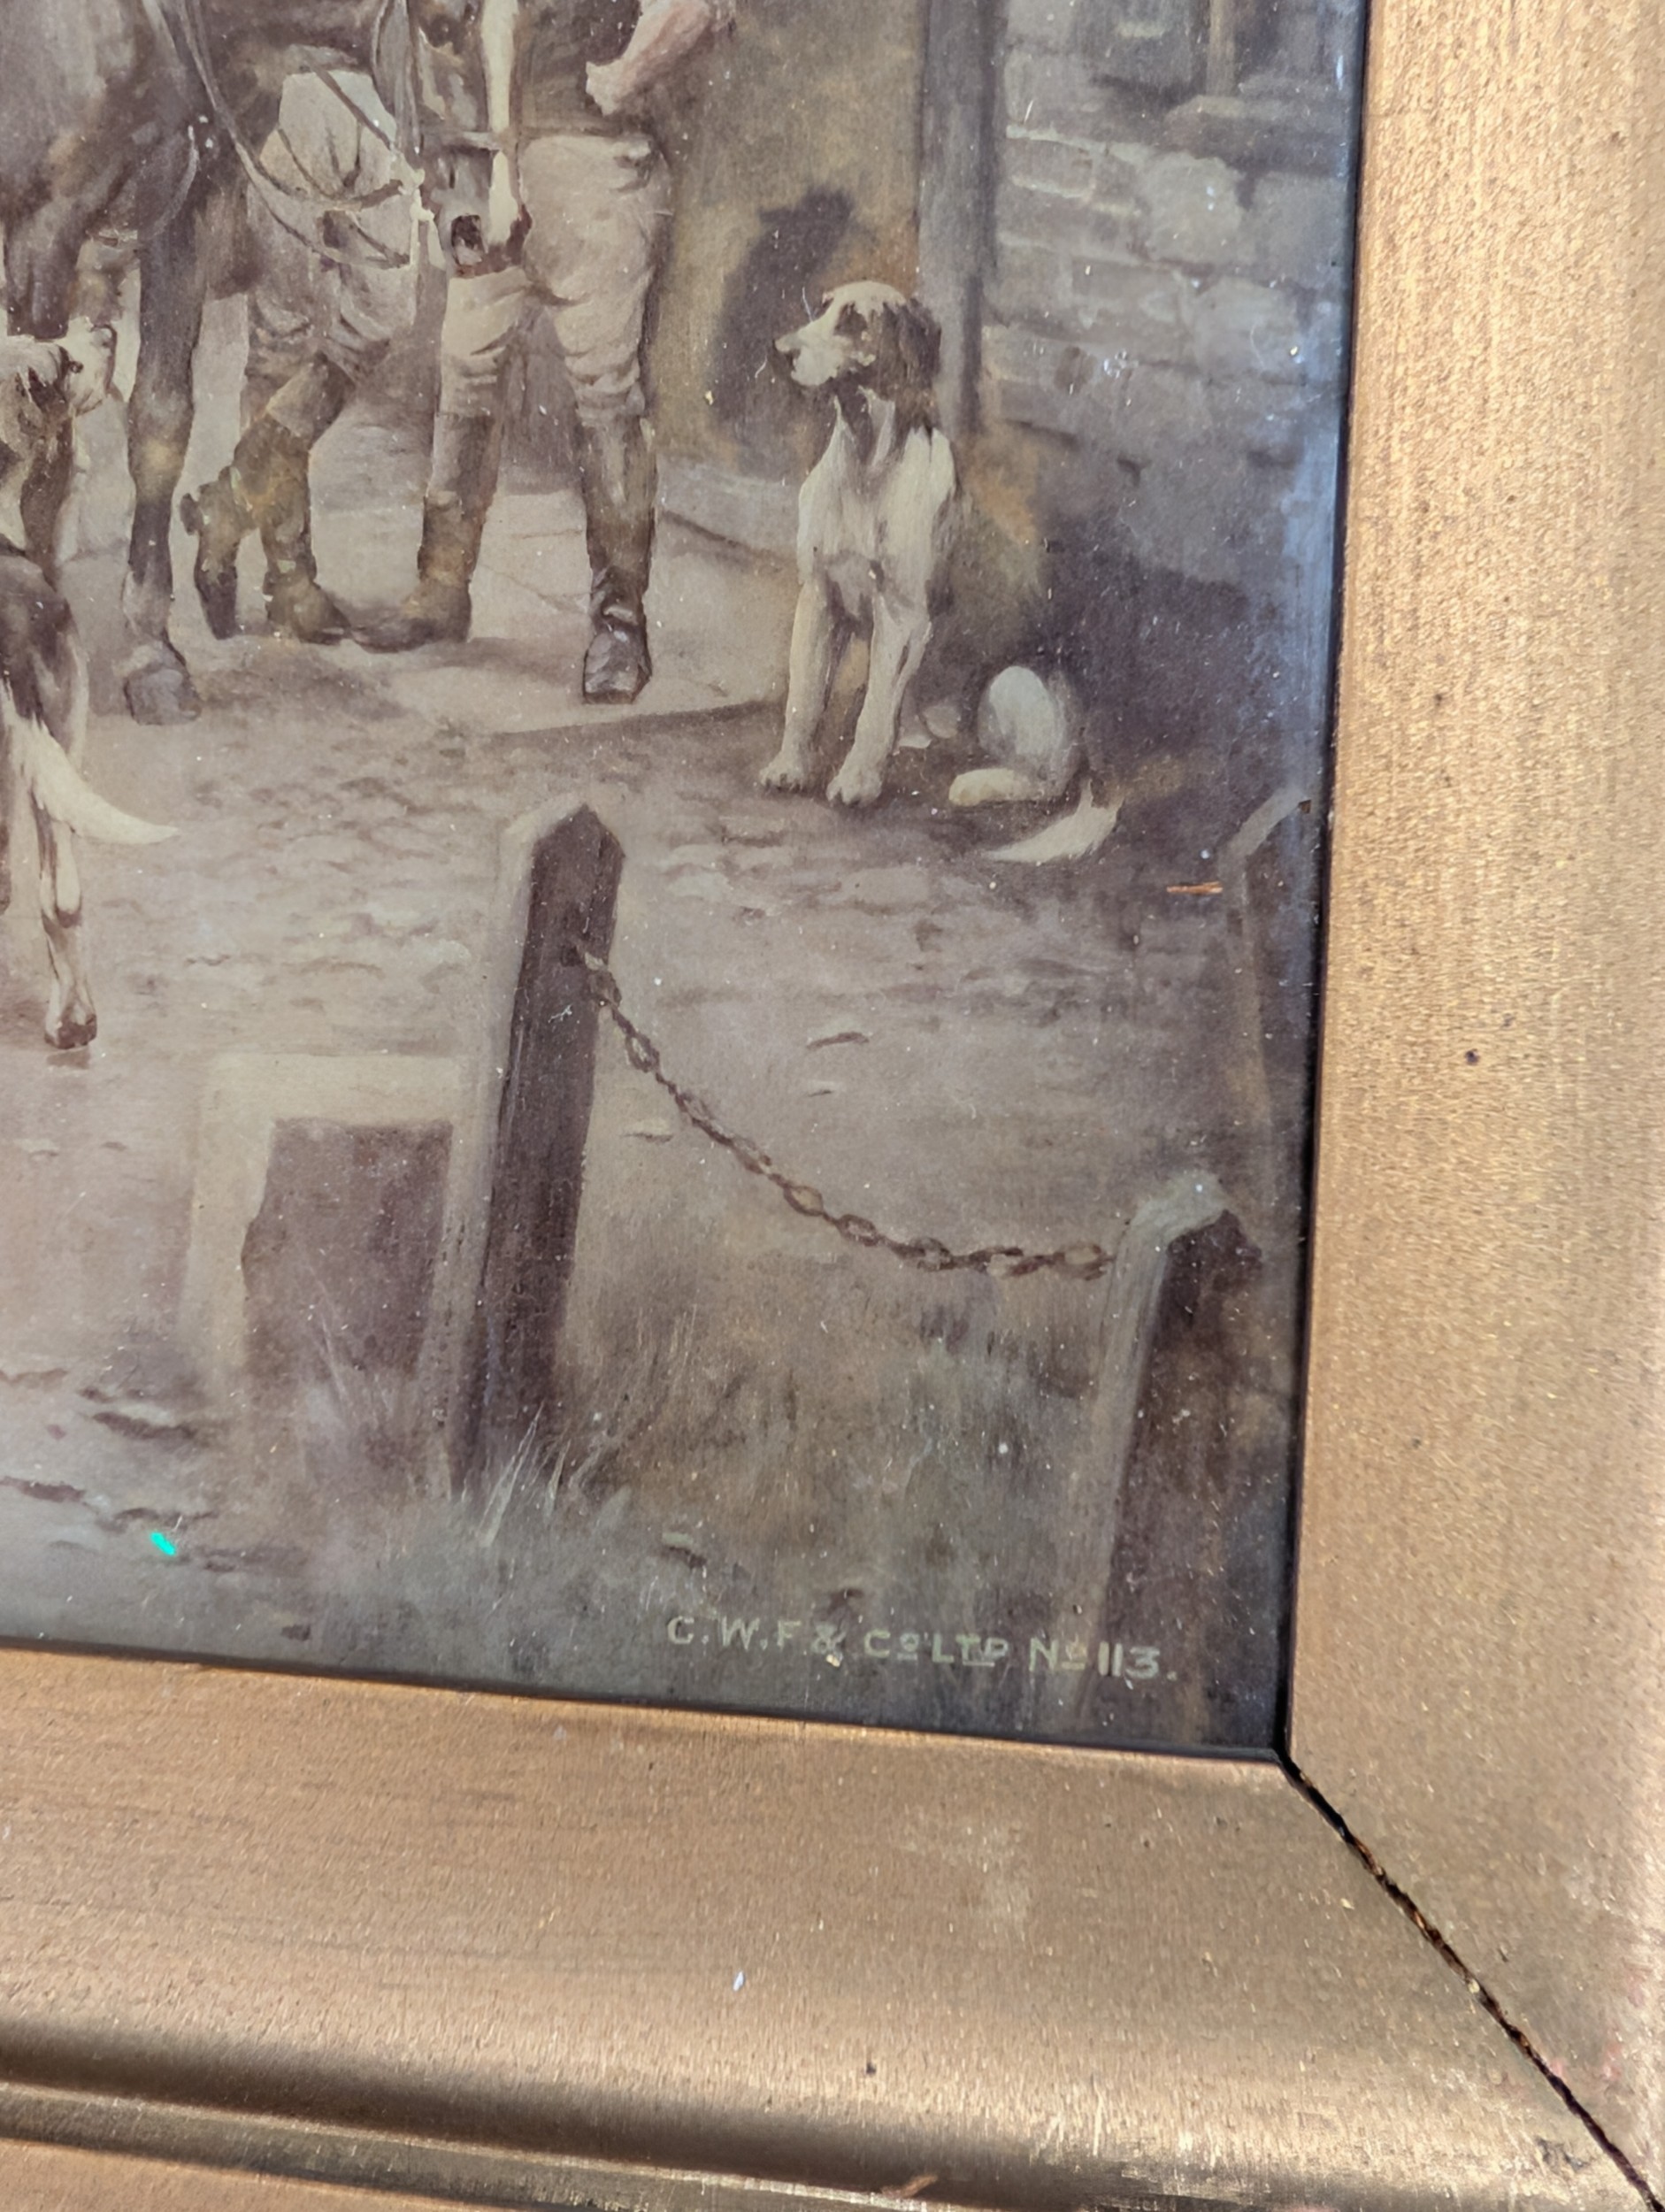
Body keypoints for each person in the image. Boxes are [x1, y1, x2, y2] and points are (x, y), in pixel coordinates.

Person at [364, 0, 734, 705]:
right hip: (502, 168)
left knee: (606, 392)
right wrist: (503, 155)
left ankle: (620, 624)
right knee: (466, 366)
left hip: (602, 167)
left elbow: (703, 8)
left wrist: (628, 76)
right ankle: (441, 587)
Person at [182, 60, 421, 644]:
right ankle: (290, 581)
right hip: (289, 89)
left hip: (388, 88)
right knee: (280, 341)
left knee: (387, 311)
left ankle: (228, 503)